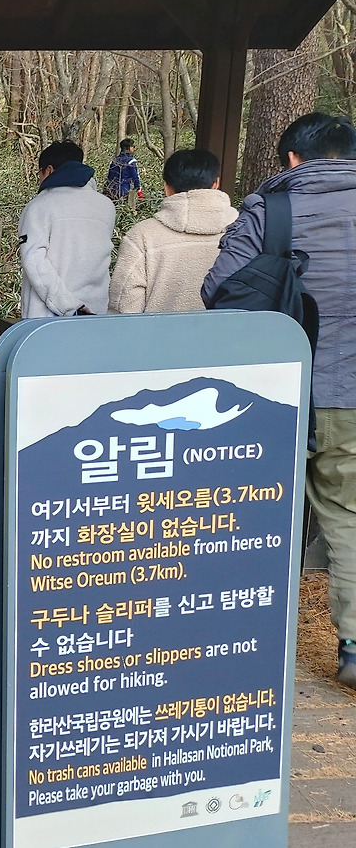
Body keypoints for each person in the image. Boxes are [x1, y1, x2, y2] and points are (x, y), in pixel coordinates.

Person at [202, 112, 356, 689]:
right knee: (348, 514)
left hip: (282, 392)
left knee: (260, 511)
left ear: (292, 158)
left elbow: (219, 289)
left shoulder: (273, 211)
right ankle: (354, 645)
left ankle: (242, 640)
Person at [107, 149, 237, 313]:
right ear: (216, 183)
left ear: (166, 188)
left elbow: (124, 309)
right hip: (231, 330)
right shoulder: (244, 231)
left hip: (158, 330)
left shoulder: (142, 236)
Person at [18, 140, 115, 318]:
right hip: (96, 312)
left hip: (47, 318)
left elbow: (34, 261)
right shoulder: (107, 206)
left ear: (49, 170)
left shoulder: (38, 207)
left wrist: (69, 306)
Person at [104, 138, 143, 204]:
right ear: (130, 148)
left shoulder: (115, 160)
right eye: (133, 146)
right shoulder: (131, 161)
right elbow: (135, 177)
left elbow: (109, 177)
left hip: (111, 191)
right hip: (124, 191)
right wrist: (138, 190)